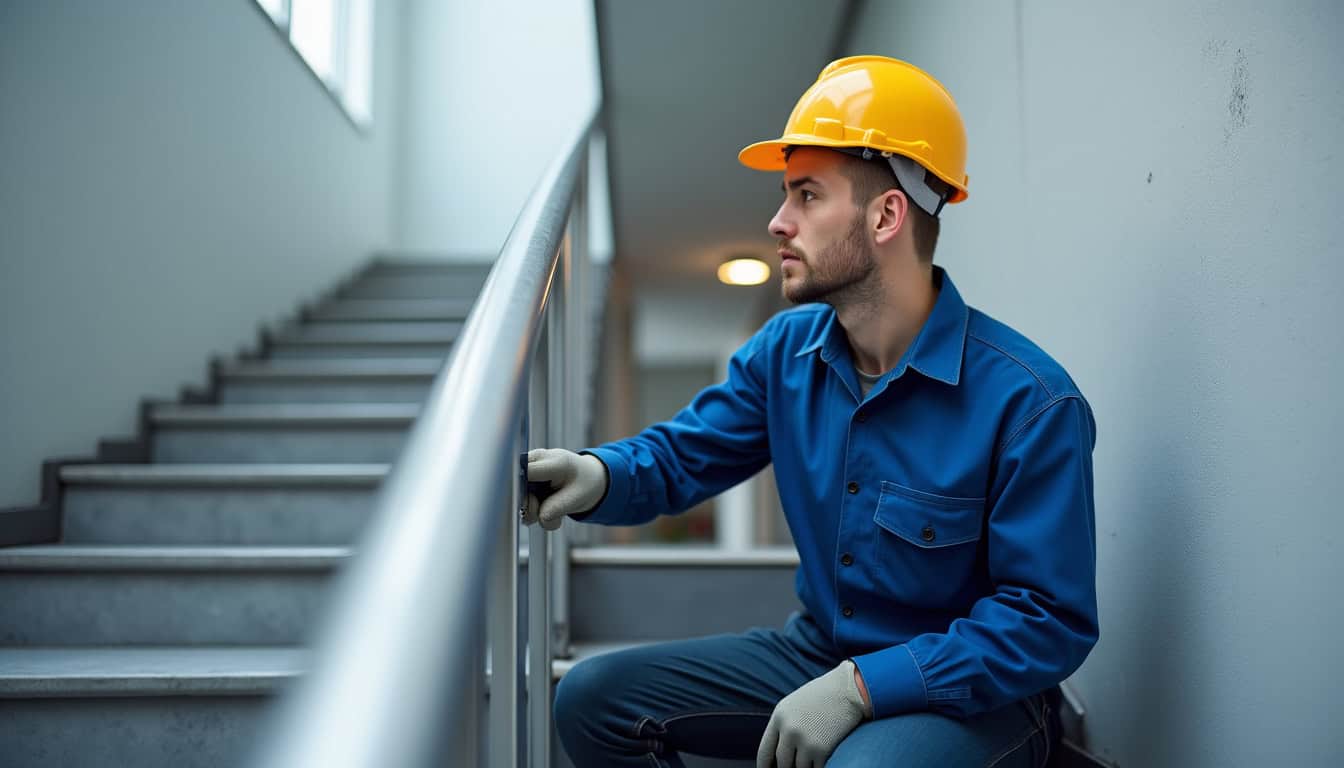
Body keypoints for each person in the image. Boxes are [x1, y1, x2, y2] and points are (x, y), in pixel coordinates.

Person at [526, 56, 1099, 768]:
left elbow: (1046, 624)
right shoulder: (786, 352)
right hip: (816, 655)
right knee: (593, 698)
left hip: (974, 698)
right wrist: (596, 473)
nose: (777, 222)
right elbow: (682, 454)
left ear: (887, 215)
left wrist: (865, 688)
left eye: (806, 195)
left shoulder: (1029, 402)